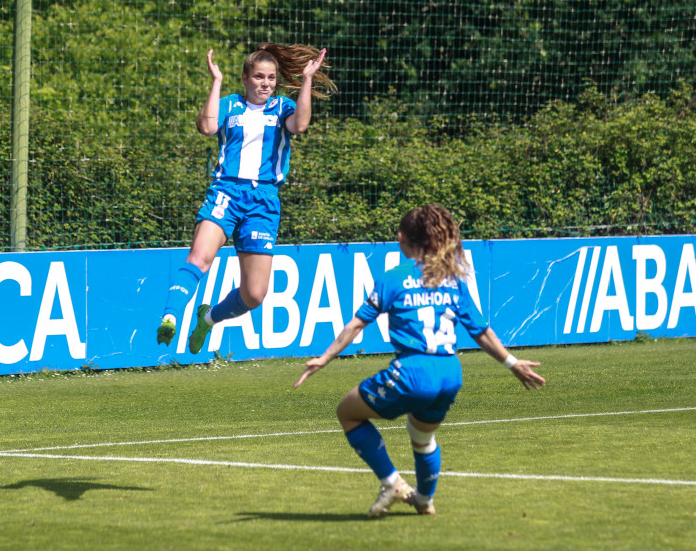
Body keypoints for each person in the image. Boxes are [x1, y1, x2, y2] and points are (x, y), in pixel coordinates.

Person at [293, 204, 545, 518]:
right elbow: (481, 332)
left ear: (403, 237)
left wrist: (324, 359)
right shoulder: (451, 280)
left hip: (412, 371)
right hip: (450, 373)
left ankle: (392, 483)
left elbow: (356, 324)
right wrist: (512, 362)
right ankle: (424, 499)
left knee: (347, 412)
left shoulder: (394, 278)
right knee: (422, 438)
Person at [156, 43, 336, 353]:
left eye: (271, 78)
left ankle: (208, 319)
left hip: (263, 202)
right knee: (199, 258)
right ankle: (170, 316)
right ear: (245, 78)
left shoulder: (282, 108)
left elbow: (301, 125)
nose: (265, 83)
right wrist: (215, 82)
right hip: (226, 192)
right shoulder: (230, 105)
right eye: (258, 77)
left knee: (254, 294)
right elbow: (207, 127)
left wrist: (307, 79)